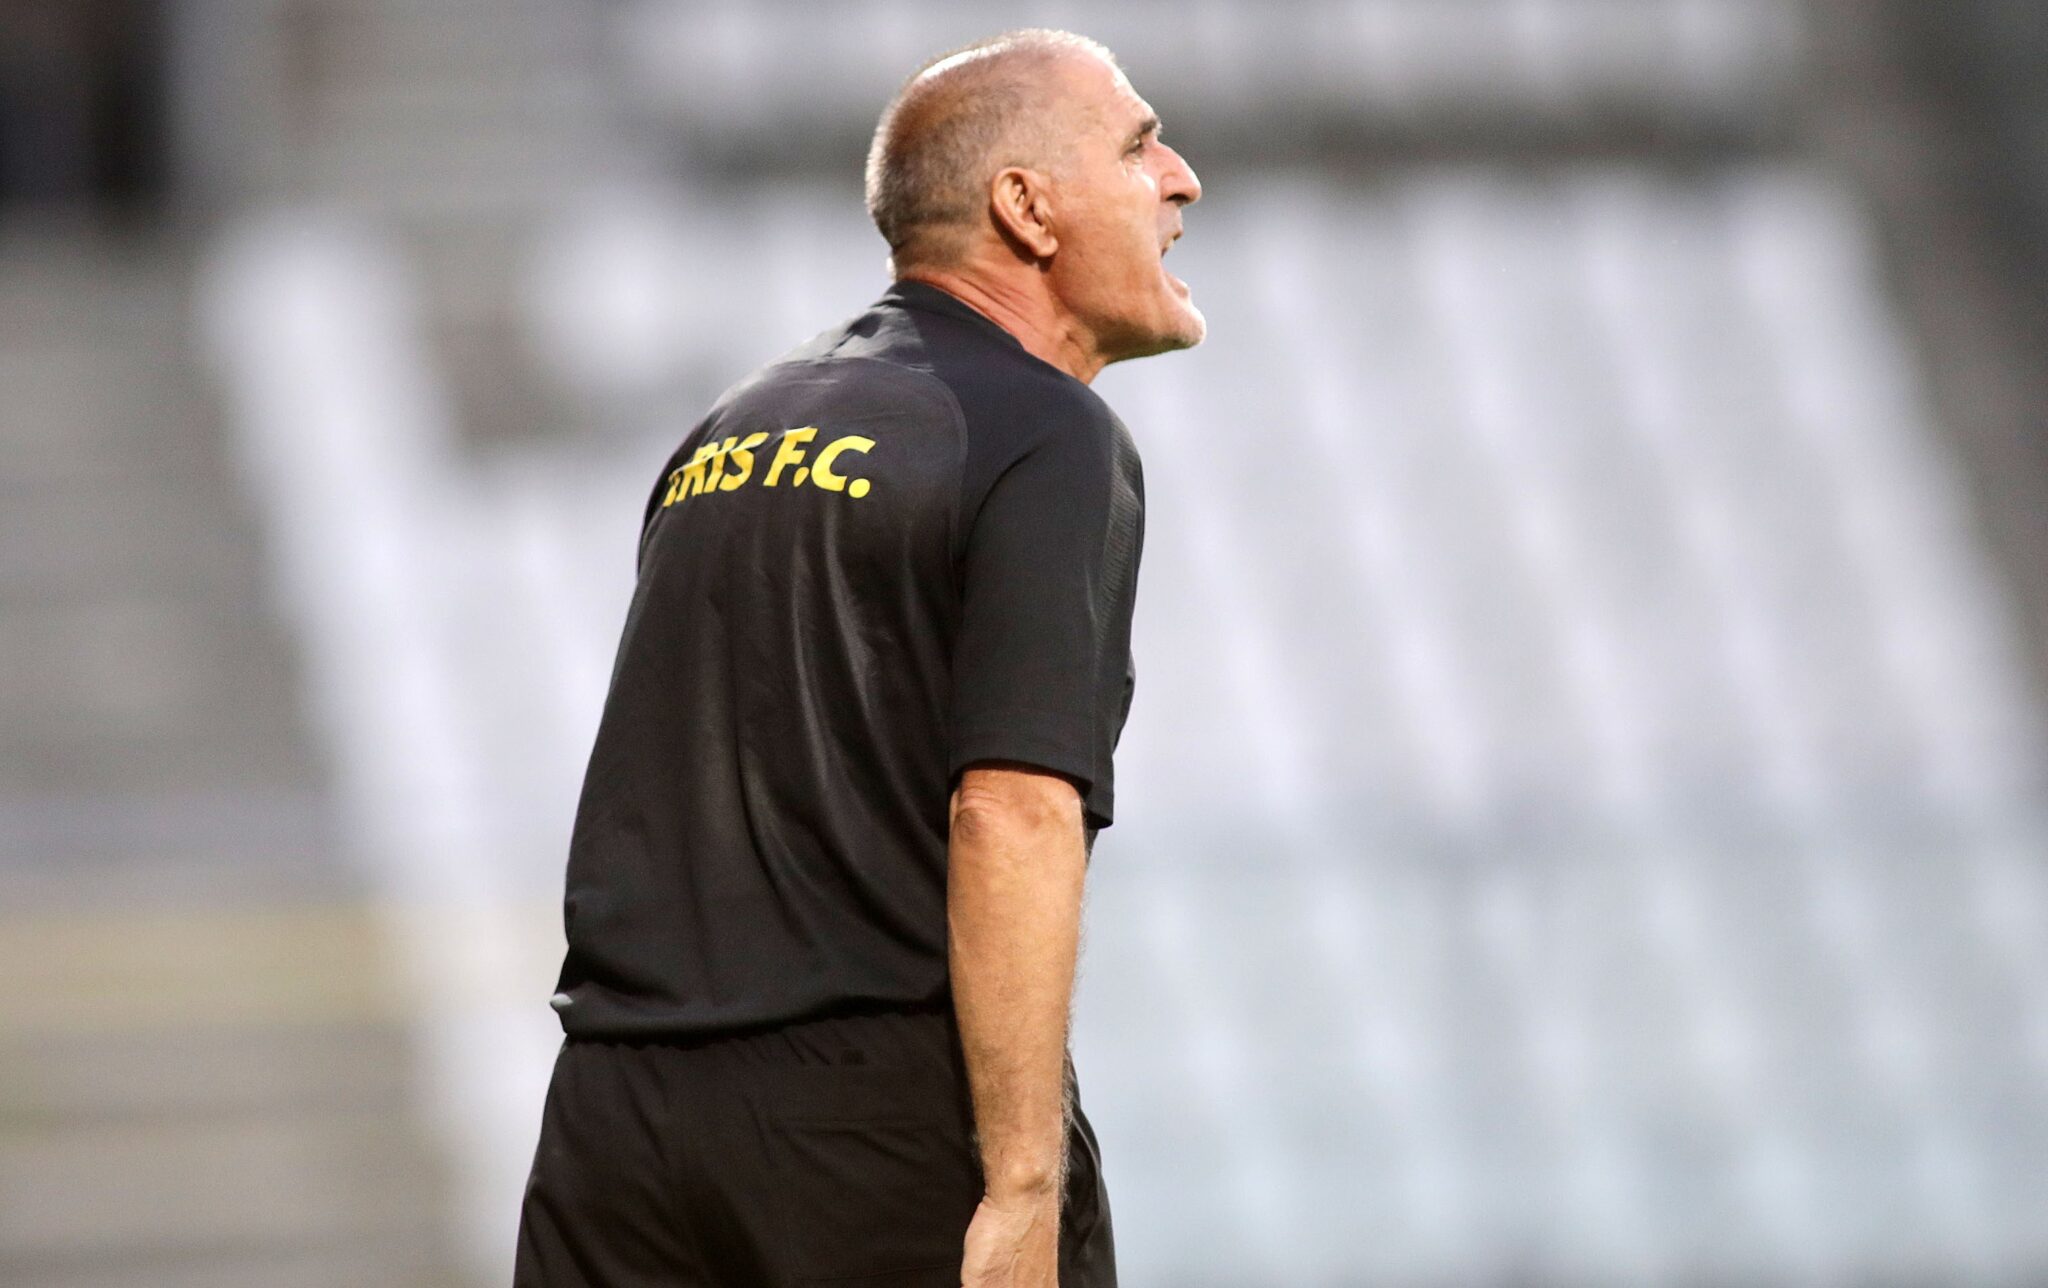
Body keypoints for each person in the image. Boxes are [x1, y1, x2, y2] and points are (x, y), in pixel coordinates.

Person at [513, 27, 1203, 1288]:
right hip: (869, 1121)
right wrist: (1021, 1183)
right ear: (1026, 208)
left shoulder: (729, 432)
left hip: (614, 1118)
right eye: (1137, 145)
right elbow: (1011, 809)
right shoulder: (1043, 434)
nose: (1179, 179)